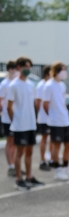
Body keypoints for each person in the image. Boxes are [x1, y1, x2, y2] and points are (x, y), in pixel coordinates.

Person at [7, 57, 44, 191]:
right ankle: (18, 179)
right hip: (20, 125)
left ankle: (29, 176)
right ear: (18, 67)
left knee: (29, 151)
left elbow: (32, 104)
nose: (28, 70)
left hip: (30, 124)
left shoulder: (29, 84)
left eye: (29, 67)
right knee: (19, 152)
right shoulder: (14, 85)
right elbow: (9, 107)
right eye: (25, 67)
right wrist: (15, 121)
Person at [43, 62, 69, 181]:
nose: (64, 72)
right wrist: (52, 116)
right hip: (55, 121)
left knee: (68, 145)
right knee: (56, 145)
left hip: (65, 120)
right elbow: (45, 104)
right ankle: (57, 170)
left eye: (65, 69)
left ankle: (65, 167)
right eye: (62, 69)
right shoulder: (49, 85)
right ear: (56, 71)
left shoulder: (62, 85)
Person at [0, 60, 18, 177]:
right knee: (10, 142)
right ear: (11, 70)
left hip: (17, 118)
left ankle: (15, 165)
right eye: (16, 69)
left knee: (16, 143)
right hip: (8, 118)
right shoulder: (5, 84)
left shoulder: (16, 83)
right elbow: (1, 100)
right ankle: (10, 166)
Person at [35, 65, 52, 171]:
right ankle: (42, 161)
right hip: (44, 117)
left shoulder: (51, 84)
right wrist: (40, 114)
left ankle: (50, 158)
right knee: (44, 138)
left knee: (52, 139)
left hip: (51, 118)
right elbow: (38, 102)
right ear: (47, 74)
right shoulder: (41, 85)